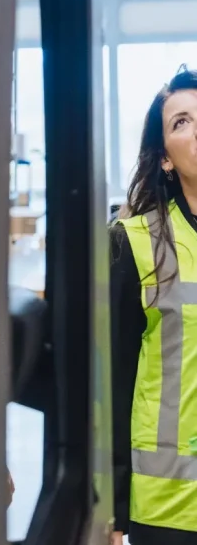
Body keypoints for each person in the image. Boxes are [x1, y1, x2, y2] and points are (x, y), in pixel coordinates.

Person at [110, 68, 197, 545]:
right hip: (167, 509)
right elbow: (113, 382)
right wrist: (113, 506)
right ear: (165, 158)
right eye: (181, 121)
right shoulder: (136, 243)